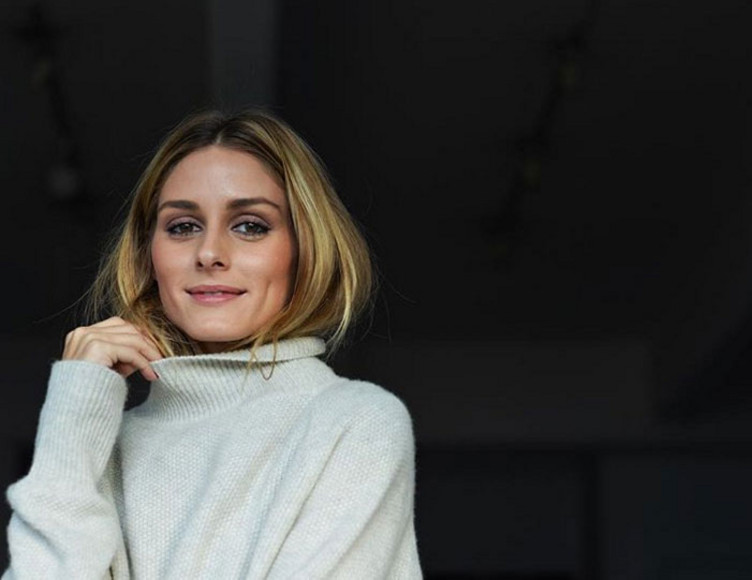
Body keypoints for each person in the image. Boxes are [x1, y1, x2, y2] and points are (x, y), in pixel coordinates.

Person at [3, 110, 422, 579]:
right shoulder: (97, 451)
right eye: (183, 226)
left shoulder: (355, 423)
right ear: (148, 255)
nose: (209, 254)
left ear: (304, 249)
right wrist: (74, 413)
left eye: (250, 225)